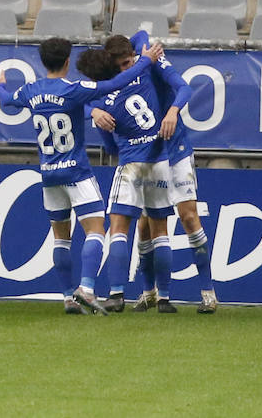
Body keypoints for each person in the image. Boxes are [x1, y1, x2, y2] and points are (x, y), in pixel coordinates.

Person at [0, 36, 159, 314]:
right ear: (68, 61)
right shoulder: (74, 89)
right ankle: (87, 288)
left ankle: (68, 298)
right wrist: (145, 61)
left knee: (61, 238)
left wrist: (0, 84)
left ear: (43, 61)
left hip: (49, 175)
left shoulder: (30, 91)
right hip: (77, 172)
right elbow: (116, 83)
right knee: (96, 230)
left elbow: (5, 100)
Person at [95, 32, 217, 314]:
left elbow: (183, 88)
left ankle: (208, 291)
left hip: (176, 149)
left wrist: (172, 111)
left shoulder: (151, 60)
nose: (124, 70)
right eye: (119, 67)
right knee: (145, 224)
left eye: (127, 63)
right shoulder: (127, 76)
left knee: (189, 217)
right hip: (150, 154)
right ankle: (150, 292)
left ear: (133, 55)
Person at [76, 43, 176, 314]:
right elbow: (141, 38)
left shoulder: (100, 101)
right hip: (159, 160)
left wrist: (93, 113)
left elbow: (109, 146)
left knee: (119, 228)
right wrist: (143, 57)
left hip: (131, 163)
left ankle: (117, 294)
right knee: (161, 232)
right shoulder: (141, 74)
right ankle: (165, 299)